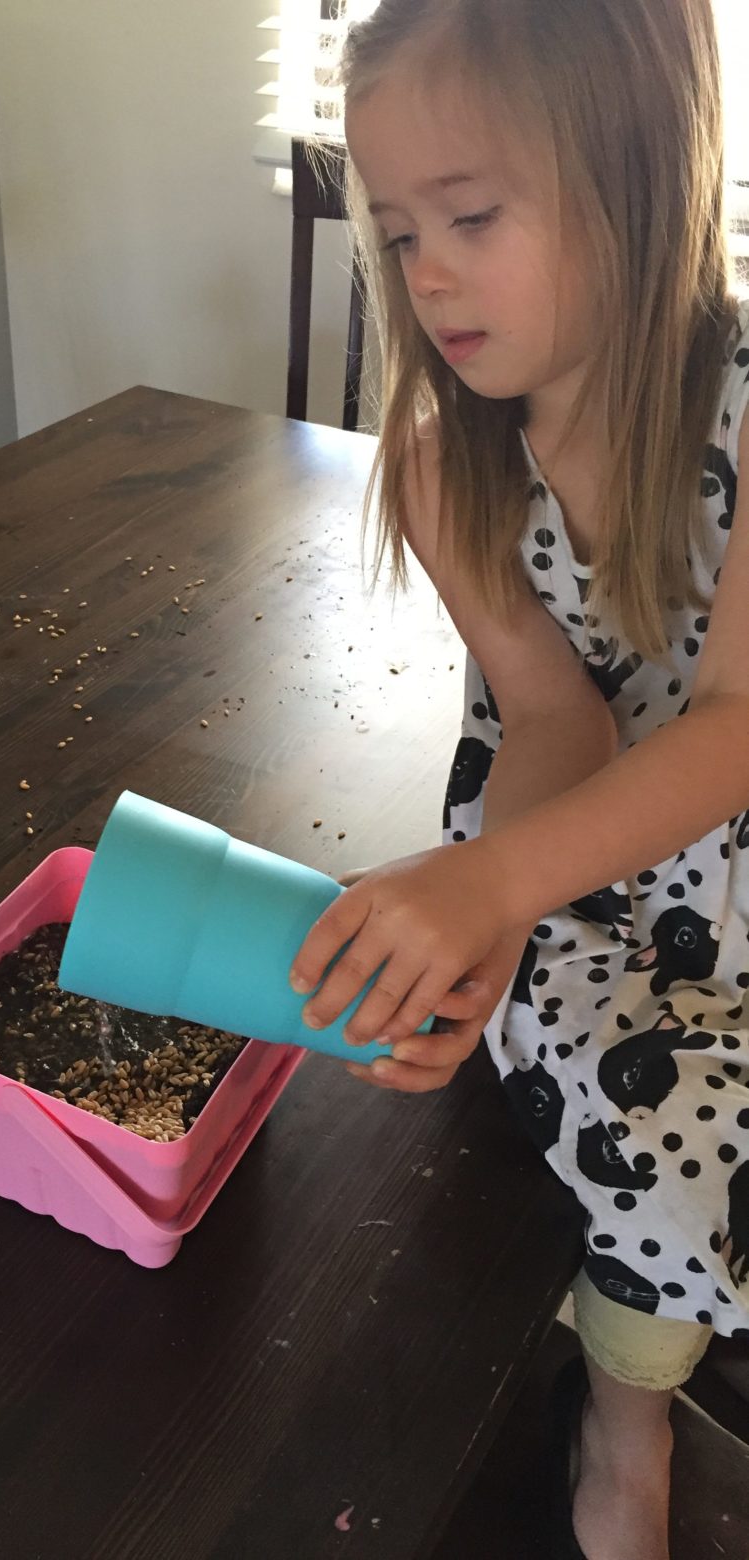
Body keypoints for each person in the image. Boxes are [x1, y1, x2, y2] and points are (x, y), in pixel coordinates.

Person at [285, 2, 749, 1557]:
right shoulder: (440, 454)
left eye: (471, 216)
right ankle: (613, 1384)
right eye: (399, 227)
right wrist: (489, 898)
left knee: (681, 1163)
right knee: (540, 1108)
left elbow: (731, 724)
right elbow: (557, 717)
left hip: (727, 873)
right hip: (564, 842)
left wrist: (490, 884)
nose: (423, 274)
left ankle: (630, 1401)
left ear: (634, 168)